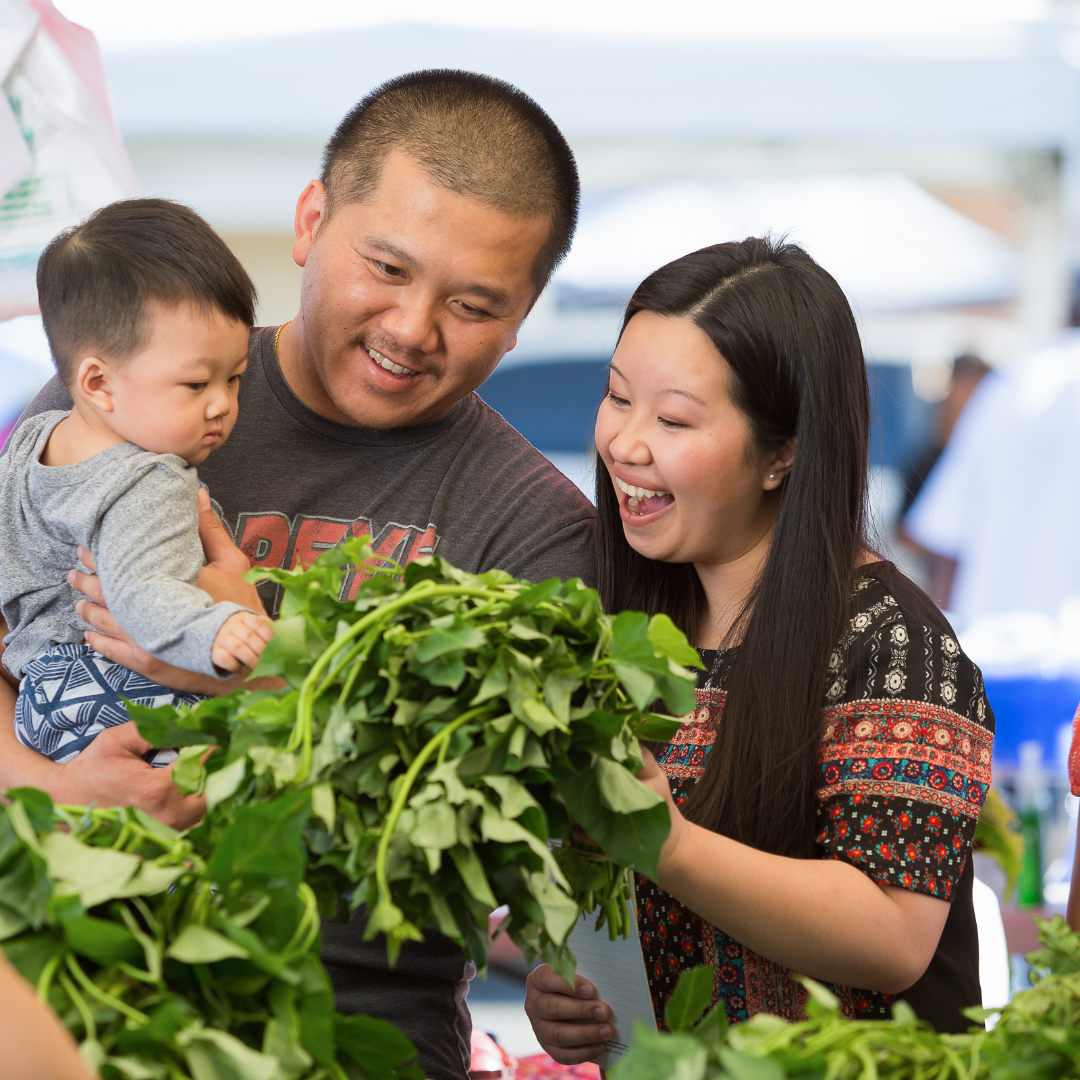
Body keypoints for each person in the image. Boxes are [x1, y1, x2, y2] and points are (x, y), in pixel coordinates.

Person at [0, 70, 595, 1080]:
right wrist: (55, 791)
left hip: (357, 1035)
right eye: (387, 267)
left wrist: (274, 675)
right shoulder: (130, 386)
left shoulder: (536, 530)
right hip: (77, 993)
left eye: (474, 303)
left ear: (527, 309)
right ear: (312, 218)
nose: (413, 327)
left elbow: (493, 848)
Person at [524, 238, 994, 1063]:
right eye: (617, 398)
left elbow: (893, 932)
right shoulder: (626, 626)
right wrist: (567, 986)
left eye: (672, 419)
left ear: (784, 452)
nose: (627, 444)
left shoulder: (898, 644)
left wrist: (667, 843)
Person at [0, 199, 273, 766]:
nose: (222, 404)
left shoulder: (33, 442)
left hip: (36, 695)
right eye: (196, 384)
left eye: (236, 378)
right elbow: (141, 599)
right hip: (113, 689)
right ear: (98, 383)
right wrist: (219, 634)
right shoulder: (150, 478)